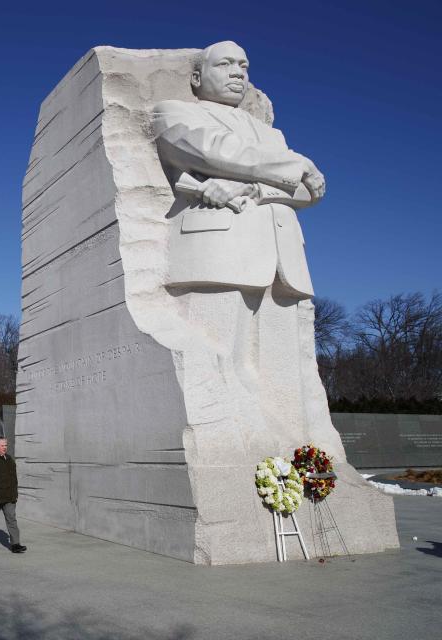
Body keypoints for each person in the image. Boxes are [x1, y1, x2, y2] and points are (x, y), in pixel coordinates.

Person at [152, 40, 332, 448]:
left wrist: (254, 187)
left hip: (282, 260)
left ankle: (291, 455)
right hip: (218, 253)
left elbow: (308, 192)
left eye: (244, 65)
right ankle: (232, 450)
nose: (238, 72)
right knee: (218, 365)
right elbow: (211, 151)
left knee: (284, 376)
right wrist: (292, 165)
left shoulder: (271, 135)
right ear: (197, 78)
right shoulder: (177, 112)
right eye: (226, 64)